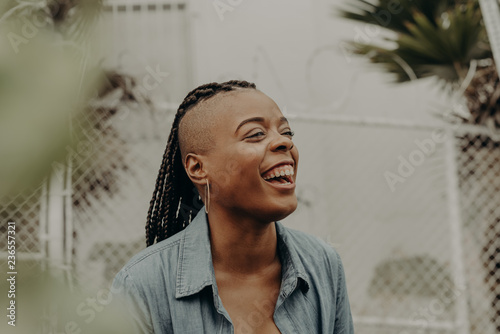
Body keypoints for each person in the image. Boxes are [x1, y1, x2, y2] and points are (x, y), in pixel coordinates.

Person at [112, 80, 354, 333]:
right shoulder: (142, 285)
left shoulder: (322, 263)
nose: (284, 143)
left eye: (286, 132)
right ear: (198, 168)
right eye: (256, 134)